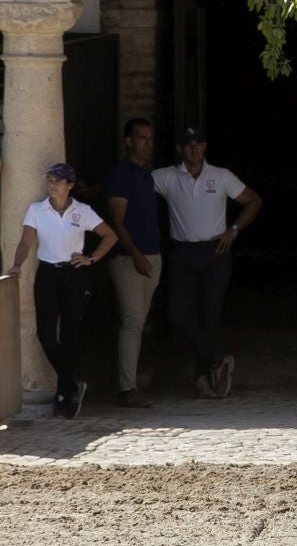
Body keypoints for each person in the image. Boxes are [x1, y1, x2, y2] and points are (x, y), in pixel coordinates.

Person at [152, 126, 262, 398]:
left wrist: (234, 230)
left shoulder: (221, 176)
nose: (194, 148)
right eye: (188, 144)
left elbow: (253, 201)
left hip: (215, 252)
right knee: (178, 313)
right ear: (180, 148)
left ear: (205, 147)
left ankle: (203, 381)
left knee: (210, 317)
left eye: (199, 143)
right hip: (183, 253)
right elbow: (131, 185)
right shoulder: (166, 177)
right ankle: (216, 360)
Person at [7, 164, 117, 417]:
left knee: (71, 333)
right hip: (47, 273)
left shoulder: (83, 211)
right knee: (45, 333)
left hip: (72, 272)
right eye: (49, 181)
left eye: (57, 181)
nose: (52, 186)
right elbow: (26, 241)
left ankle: (63, 394)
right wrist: (16, 265)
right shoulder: (37, 209)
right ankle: (70, 383)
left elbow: (109, 236)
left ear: (70, 185)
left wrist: (92, 258)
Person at [102, 118, 164, 408]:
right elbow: (117, 219)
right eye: (141, 138)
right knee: (132, 322)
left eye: (150, 139)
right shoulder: (122, 174)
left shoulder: (146, 175)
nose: (147, 144)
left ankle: (131, 383)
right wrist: (136, 255)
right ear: (128, 141)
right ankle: (127, 388)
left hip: (151, 257)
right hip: (130, 259)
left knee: (138, 322)